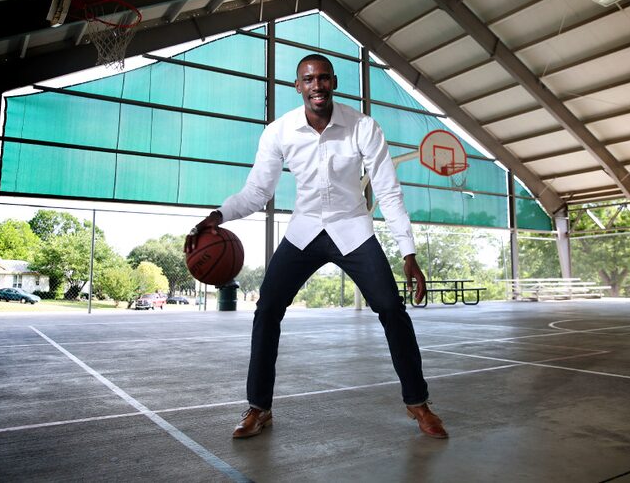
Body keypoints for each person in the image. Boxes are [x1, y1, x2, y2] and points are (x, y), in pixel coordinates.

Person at [186, 54, 447, 439]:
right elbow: (257, 192)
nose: (317, 85)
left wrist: (408, 254)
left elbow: (389, 192)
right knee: (268, 309)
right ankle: (259, 407)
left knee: (392, 308)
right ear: (298, 86)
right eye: (308, 79)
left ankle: (418, 404)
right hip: (304, 230)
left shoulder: (363, 127)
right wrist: (217, 216)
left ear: (334, 82)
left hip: (353, 229)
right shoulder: (279, 131)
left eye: (323, 78)